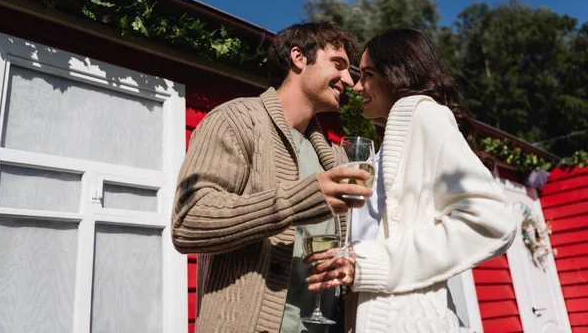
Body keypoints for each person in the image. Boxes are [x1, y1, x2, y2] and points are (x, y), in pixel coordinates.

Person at [304, 28, 517, 332]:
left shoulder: (424, 116)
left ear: (396, 75)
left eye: (367, 75)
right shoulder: (388, 146)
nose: (357, 87)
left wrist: (367, 264)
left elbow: (493, 221)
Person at [171, 21, 374, 333]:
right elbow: (188, 222)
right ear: (298, 57)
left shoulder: (336, 157)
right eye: (339, 64)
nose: (348, 80)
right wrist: (297, 202)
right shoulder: (235, 121)